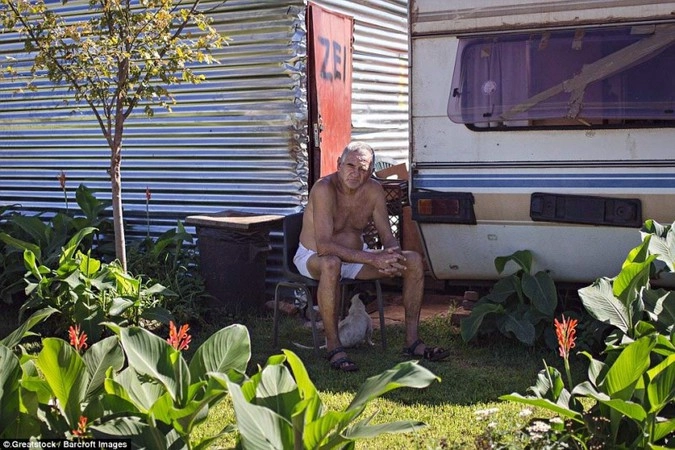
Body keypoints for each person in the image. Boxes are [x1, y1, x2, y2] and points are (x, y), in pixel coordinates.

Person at [294, 141, 450, 371]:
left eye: (363, 169)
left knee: (413, 261)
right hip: (314, 256)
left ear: (370, 172)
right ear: (338, 164)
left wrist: (392, 255)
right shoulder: (324, 188)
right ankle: (334, 346)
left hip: (356, 258)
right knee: (331, 264)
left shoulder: (374, 190)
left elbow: (387, 235)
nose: (355, 173)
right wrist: (373, 259)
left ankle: (412, 342)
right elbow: (324, 246)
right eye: (350, 165)